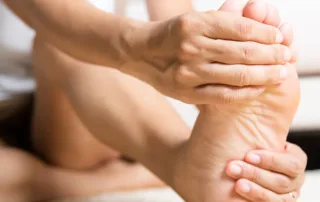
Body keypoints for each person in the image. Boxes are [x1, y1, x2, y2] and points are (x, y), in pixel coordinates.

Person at [0, 0, 306, 202]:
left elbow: (177, 26)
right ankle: (162, 171)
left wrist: (225, 96)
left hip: (92, 99)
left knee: (68, 51)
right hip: (8, 112)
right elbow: (41, 13)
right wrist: (140, 47)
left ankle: (187, 164)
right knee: (70, 41)